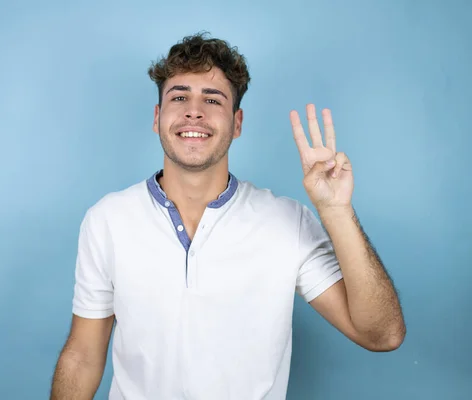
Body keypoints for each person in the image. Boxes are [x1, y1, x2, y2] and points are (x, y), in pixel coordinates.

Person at [50, 32, 406, 400]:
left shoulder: (287, 222)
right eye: (179, 96)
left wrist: (336, 211)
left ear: (237, 124)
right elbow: (82, 356)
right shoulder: (107, 219)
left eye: (212, 99)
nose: (194, 111)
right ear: (157, 118)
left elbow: (381, 335)